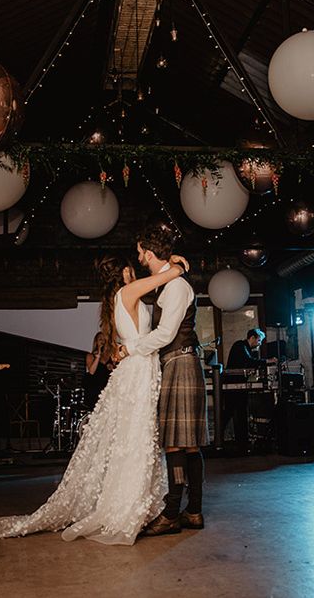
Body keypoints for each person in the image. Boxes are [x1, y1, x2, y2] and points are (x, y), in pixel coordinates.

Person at [0, 253, 189, 544]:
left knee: (135, 438)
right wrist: (178, 264)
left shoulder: (119, 296)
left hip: (139, 367)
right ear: (126, 271)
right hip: (139, 369)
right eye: (134, 263)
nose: (138, 266)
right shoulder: (128, 291)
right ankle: (129, 507)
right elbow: (169, 275)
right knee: (136, 438)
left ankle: (137, 503)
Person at [120, 223, 208, 536]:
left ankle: (173, 513)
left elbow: (166, 333)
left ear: (150, 252)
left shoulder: (175, 287)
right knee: (186, 443)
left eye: (141, 251)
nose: (139, 255)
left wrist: (130, 349)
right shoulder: (167, 283)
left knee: (177, 443)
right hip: (179, 362)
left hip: (180, 362)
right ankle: (192, 511)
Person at [223, 328, 277, 454]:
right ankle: (237, 443)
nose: (259, 343)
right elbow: (248, 362)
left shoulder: (244, 348)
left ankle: (241, 442)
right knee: (232, 413)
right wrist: (267, 361)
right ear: (252, 337)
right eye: (259, 340)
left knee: (236, 413)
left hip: (237, 386)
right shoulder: (240, 346)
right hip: (234, 386)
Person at [83, 332, 112, 411]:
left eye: (104, 340)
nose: (103, 341)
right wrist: (98, 356)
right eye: (100, 339)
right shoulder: (90, 356)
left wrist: (113, 367)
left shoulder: (111, 357)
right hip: (94, 392)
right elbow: (91, 371)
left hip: (106, 392)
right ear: (96, 342)